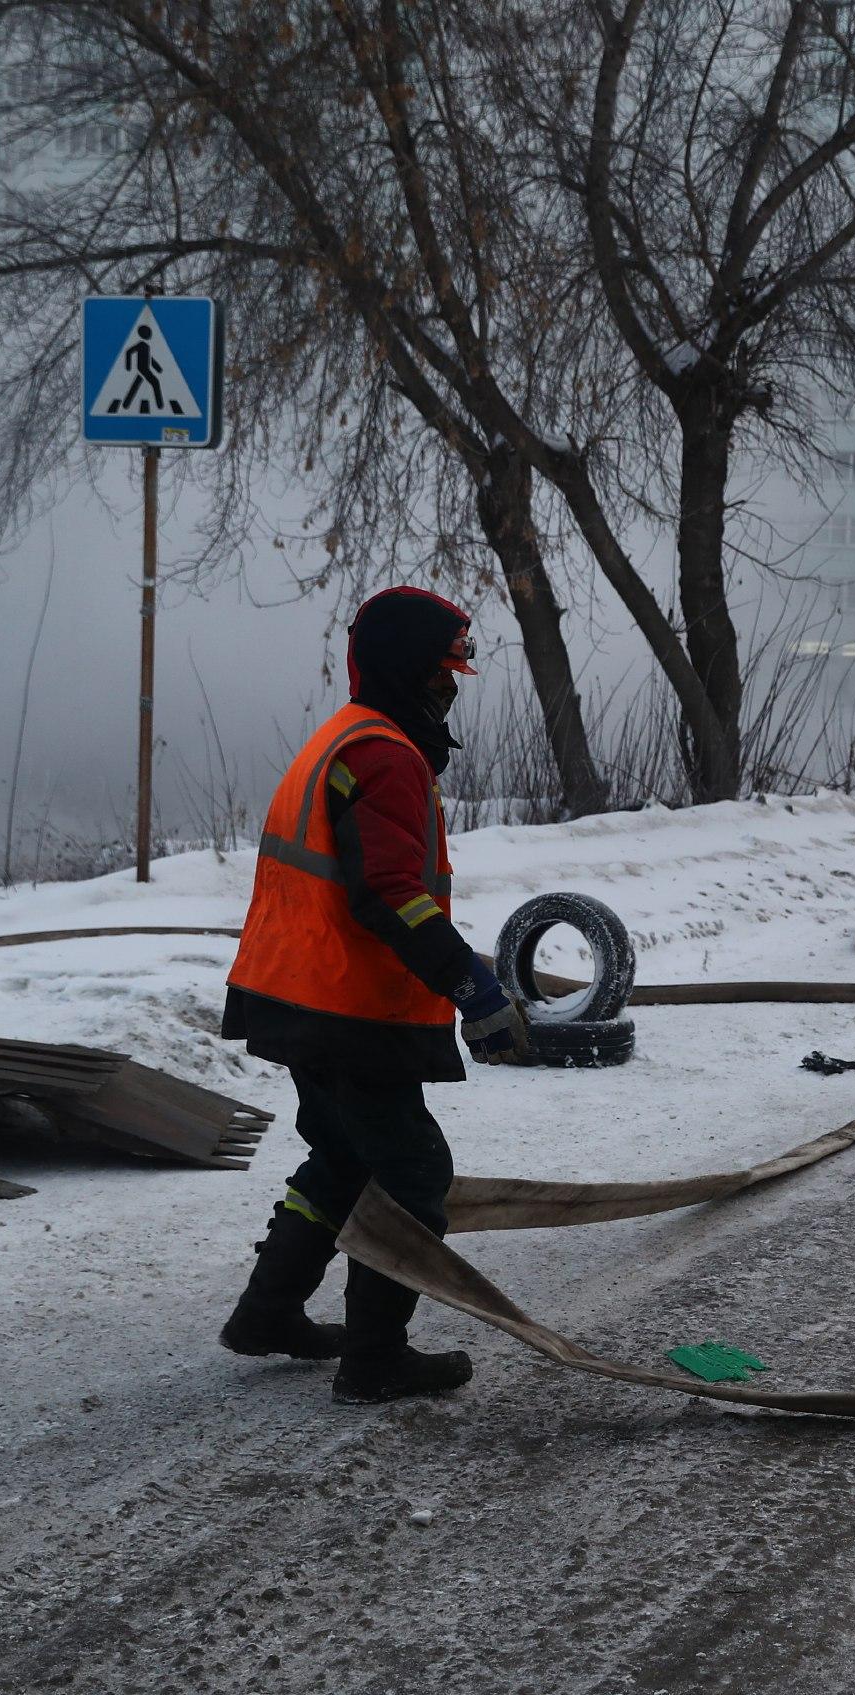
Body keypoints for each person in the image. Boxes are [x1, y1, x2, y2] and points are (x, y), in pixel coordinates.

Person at [219, 586, 536, 1406]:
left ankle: (268, 1313)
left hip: (294, 992)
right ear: (404, 670)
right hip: (343, 1006)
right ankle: (377, 1359)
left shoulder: (343, 737)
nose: (451, 689)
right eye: (441, 674)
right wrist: (471, 984)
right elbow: (391, 892)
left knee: (343, 1154)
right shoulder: (385, 754)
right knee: (413, 1169)